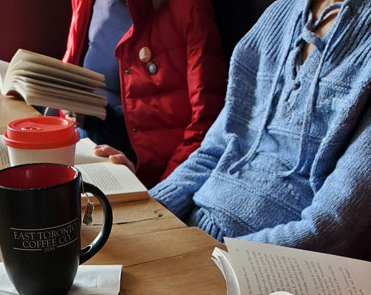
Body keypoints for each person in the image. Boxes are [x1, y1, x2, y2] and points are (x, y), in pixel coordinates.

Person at [149, 0, 371, 258]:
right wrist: (147, 213)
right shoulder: (280, 13)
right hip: (194, 232)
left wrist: (215, 257)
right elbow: (213, 152)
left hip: (262, 268)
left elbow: (332, 227)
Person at [62, 0, 226, 188]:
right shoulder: (86, 3)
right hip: (87, 138)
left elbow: (207, 123)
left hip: (146, 168)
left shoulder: (190, 8)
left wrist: (160, 190)